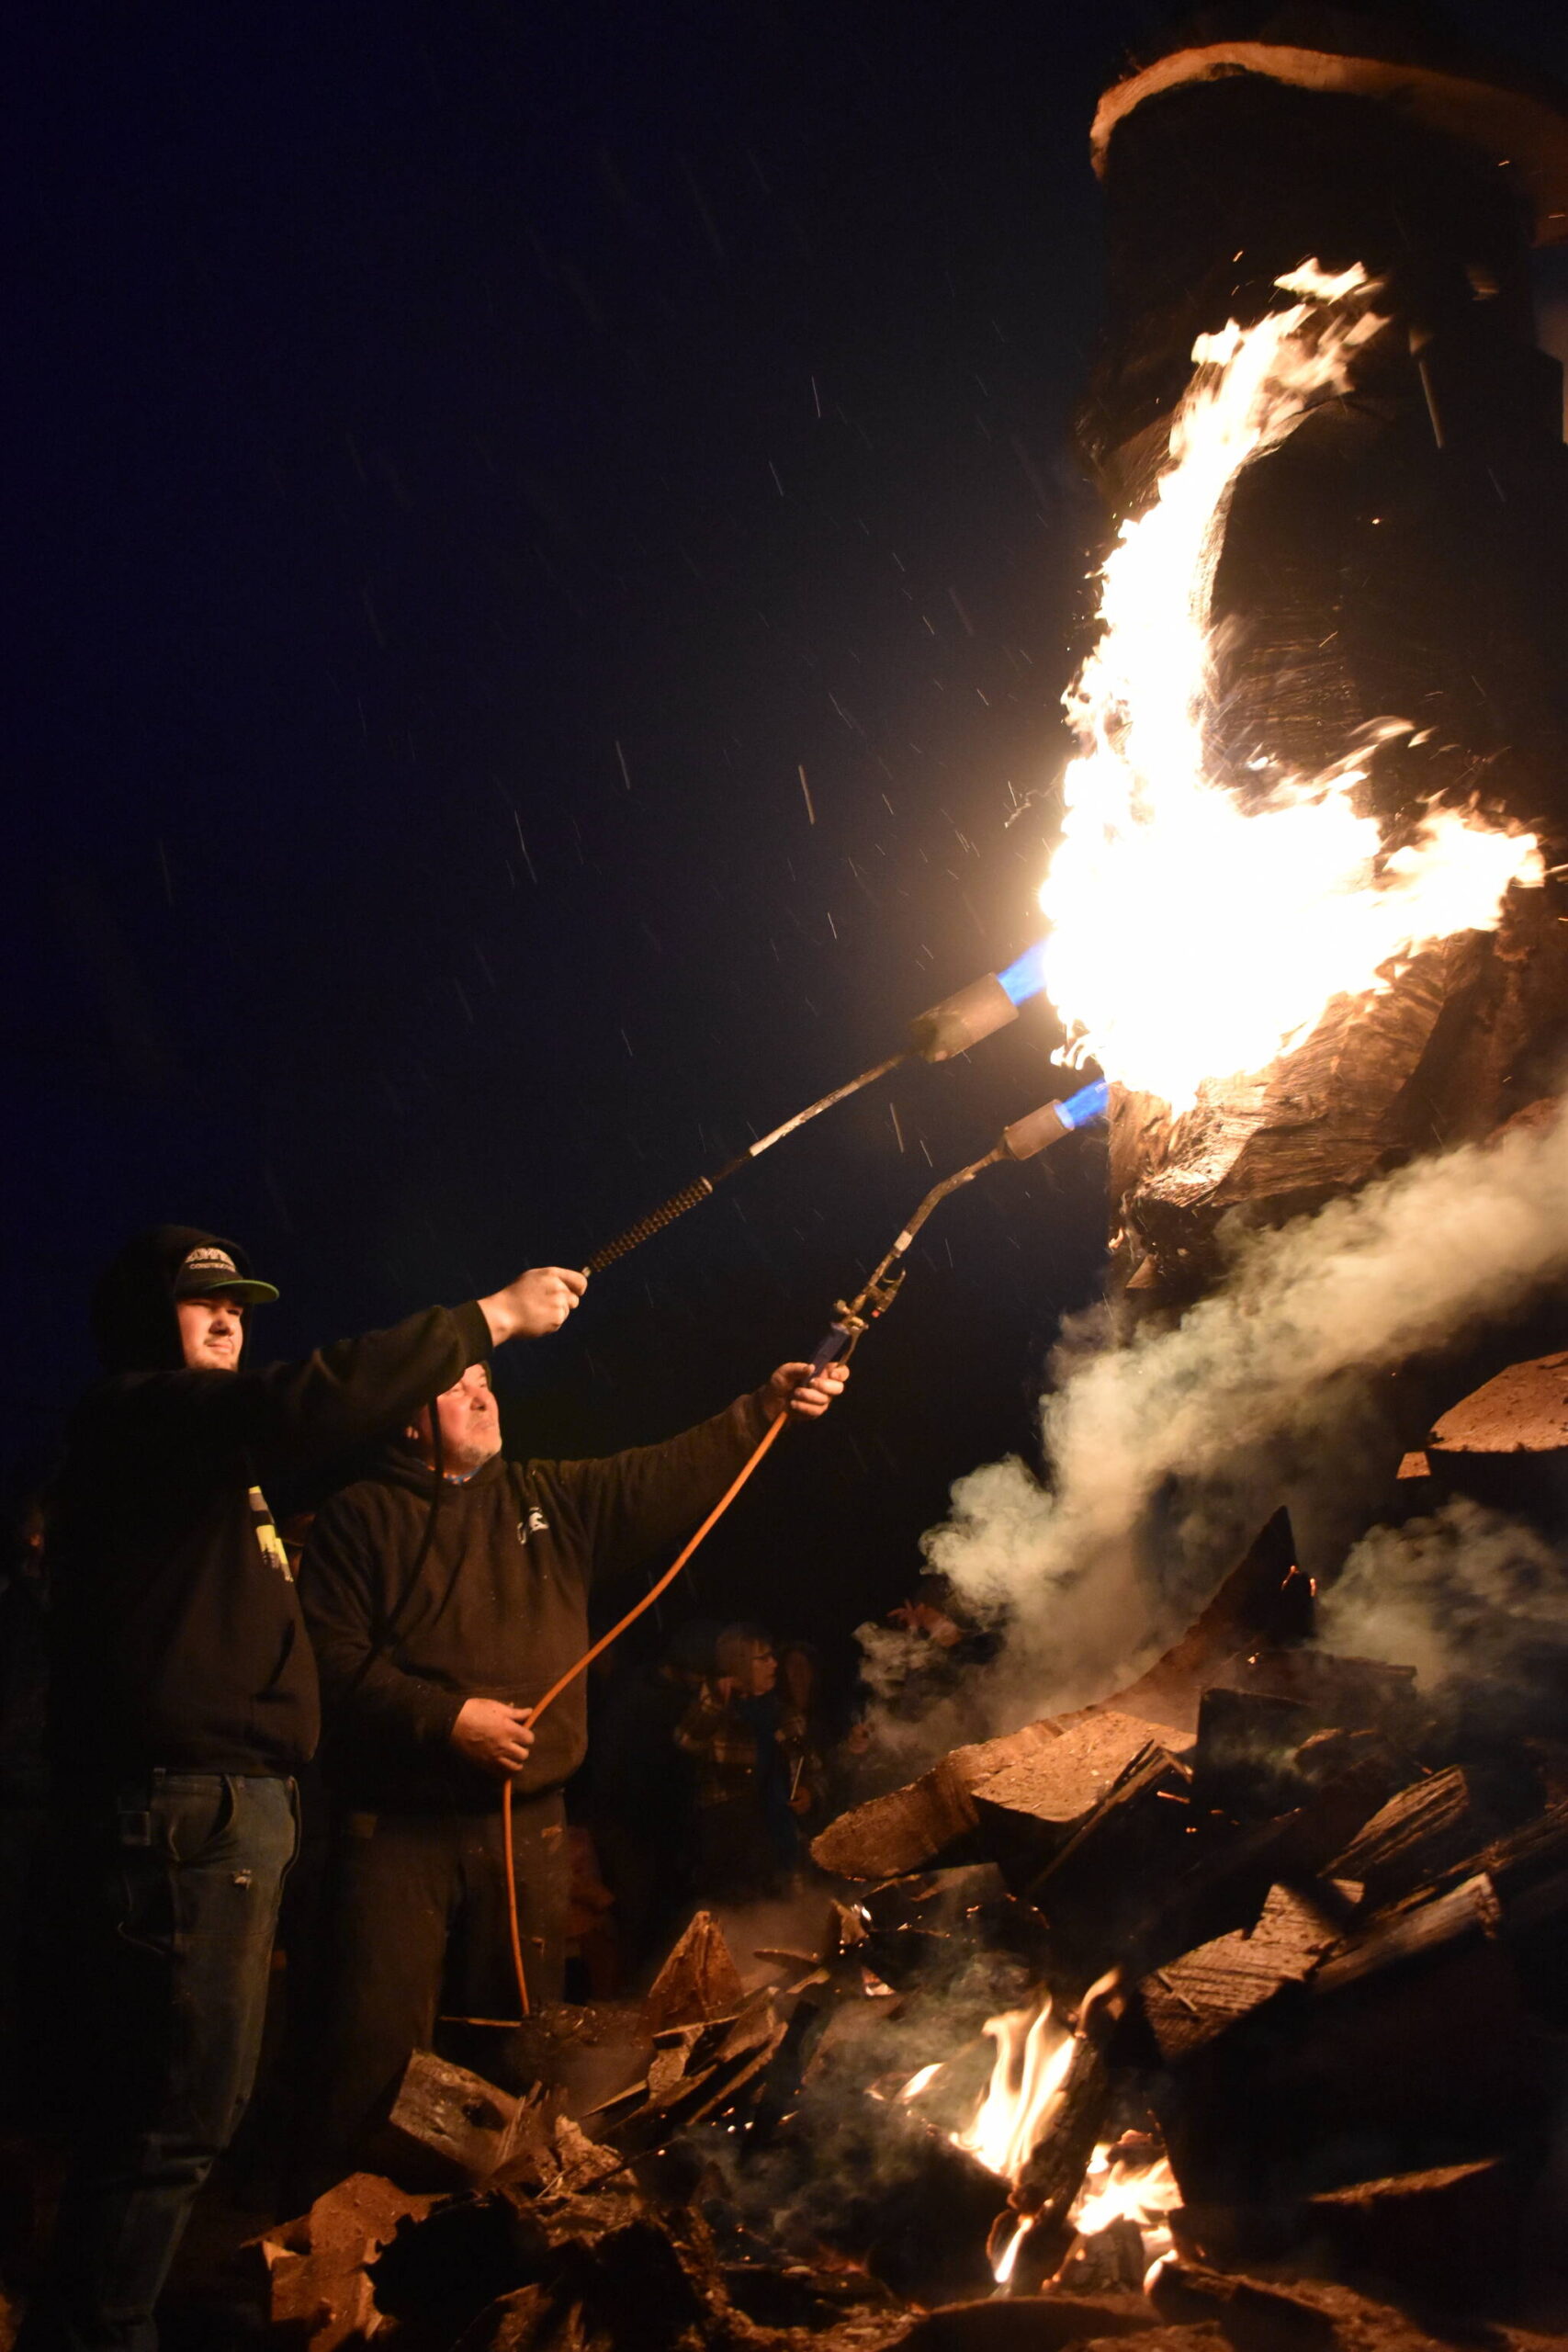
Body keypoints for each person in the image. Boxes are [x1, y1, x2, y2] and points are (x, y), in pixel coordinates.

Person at [24, 1225, 583, 2352]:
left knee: (179, 2113)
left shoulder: (207, 1464)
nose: (229, 1316)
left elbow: (305, 1429)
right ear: (146, 1319)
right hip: (190, 1811)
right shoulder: (143, 1417)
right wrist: (491, 1318)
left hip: (229, 1813)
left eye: (238, 1300)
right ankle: (95, 2329)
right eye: (200, 1300)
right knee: (167, 2123)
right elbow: (312, 1402)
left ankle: (92, 2318)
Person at [297, 1354, 845, 2176]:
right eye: (453, 1385)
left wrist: (760, 1409)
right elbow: (328, 1660)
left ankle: (498, 2244)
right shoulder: (360, 1518)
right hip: (397, 1830)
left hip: (528, 1827)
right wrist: (449, 1719)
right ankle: (337, 2250)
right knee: (376, 2046)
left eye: (484, 1378)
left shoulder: (546, 1497)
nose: (480, 1393)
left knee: (520, 2040)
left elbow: (661, 1473)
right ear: (406, 1418)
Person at [676, 1622, 798, 1903]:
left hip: (779, 1838)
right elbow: (686, 1741)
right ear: (740, 1663)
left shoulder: (781, 1711)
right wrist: (716, 1702)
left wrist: (810, 1793)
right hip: (731, 1844)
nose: (775, 1665)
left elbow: (810, 1765)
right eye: (764, 1658)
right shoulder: (717, 1707)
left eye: (773, 1657)